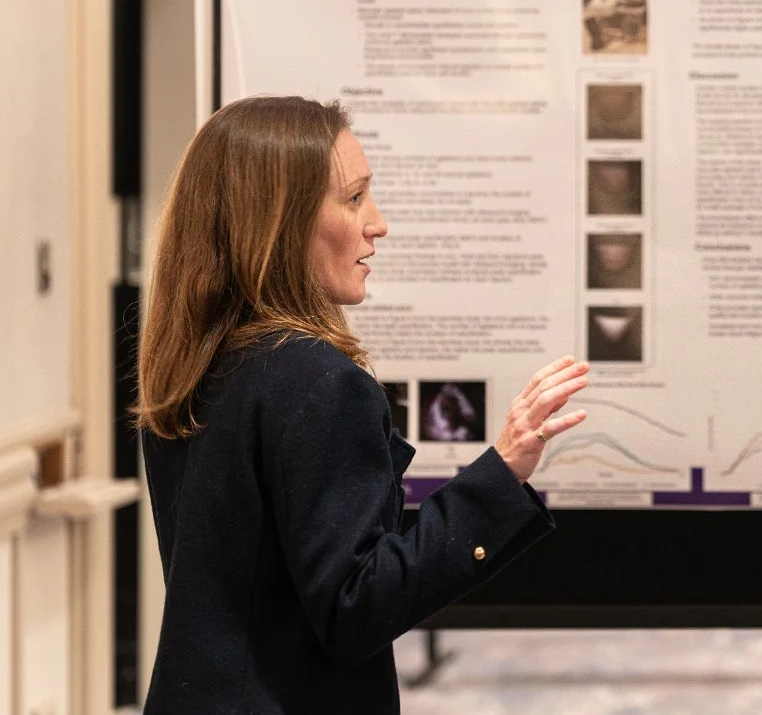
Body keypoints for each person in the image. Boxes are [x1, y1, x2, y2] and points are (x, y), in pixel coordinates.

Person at [133, 96, 589, 713]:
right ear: (280, 221)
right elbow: (357, 608)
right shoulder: (318, 380)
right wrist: (501, 473)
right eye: (353, 199)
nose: (377, 223)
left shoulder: (194, 366)